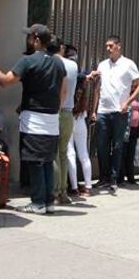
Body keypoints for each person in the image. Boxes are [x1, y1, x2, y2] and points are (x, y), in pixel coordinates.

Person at [0, 24, 67, 214]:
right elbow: (63, 92)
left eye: (29, 37)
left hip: (33, 119)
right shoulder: (59, 63)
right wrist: (54, 110)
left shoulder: (28, 61)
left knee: (35, 161)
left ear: (36, 40)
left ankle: (37, 203)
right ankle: (48, 201)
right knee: (47, 161)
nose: (27, 40)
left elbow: (4, 81)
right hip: (52, 119)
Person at [88, 36, 139, 193]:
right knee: (102, 145)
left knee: (118, 145)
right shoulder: (102, 65)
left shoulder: (128, 64)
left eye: (111, 46)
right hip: (103, 111)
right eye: (107, 46)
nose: (108, 49)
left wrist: (128, 102)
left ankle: (114, 178)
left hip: (120, 111)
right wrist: (93, 109)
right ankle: (103, 177)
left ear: (119, 46)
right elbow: (98, 88)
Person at [52, 38, 79, 205]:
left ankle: (55, 192)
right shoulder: (73, 65)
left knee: (54, 154)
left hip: (54, 111)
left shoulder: (52, 63)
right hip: (69, 113)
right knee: (63, 153)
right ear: (62, 48)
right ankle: (63, 191)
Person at [64, 46, 93, 197]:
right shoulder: (81, 77)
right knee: (83, 153)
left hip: (68, 115)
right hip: (81, 116)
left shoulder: (68, 75)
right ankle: (88, 187)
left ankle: (74, 187)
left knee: (70, 153)